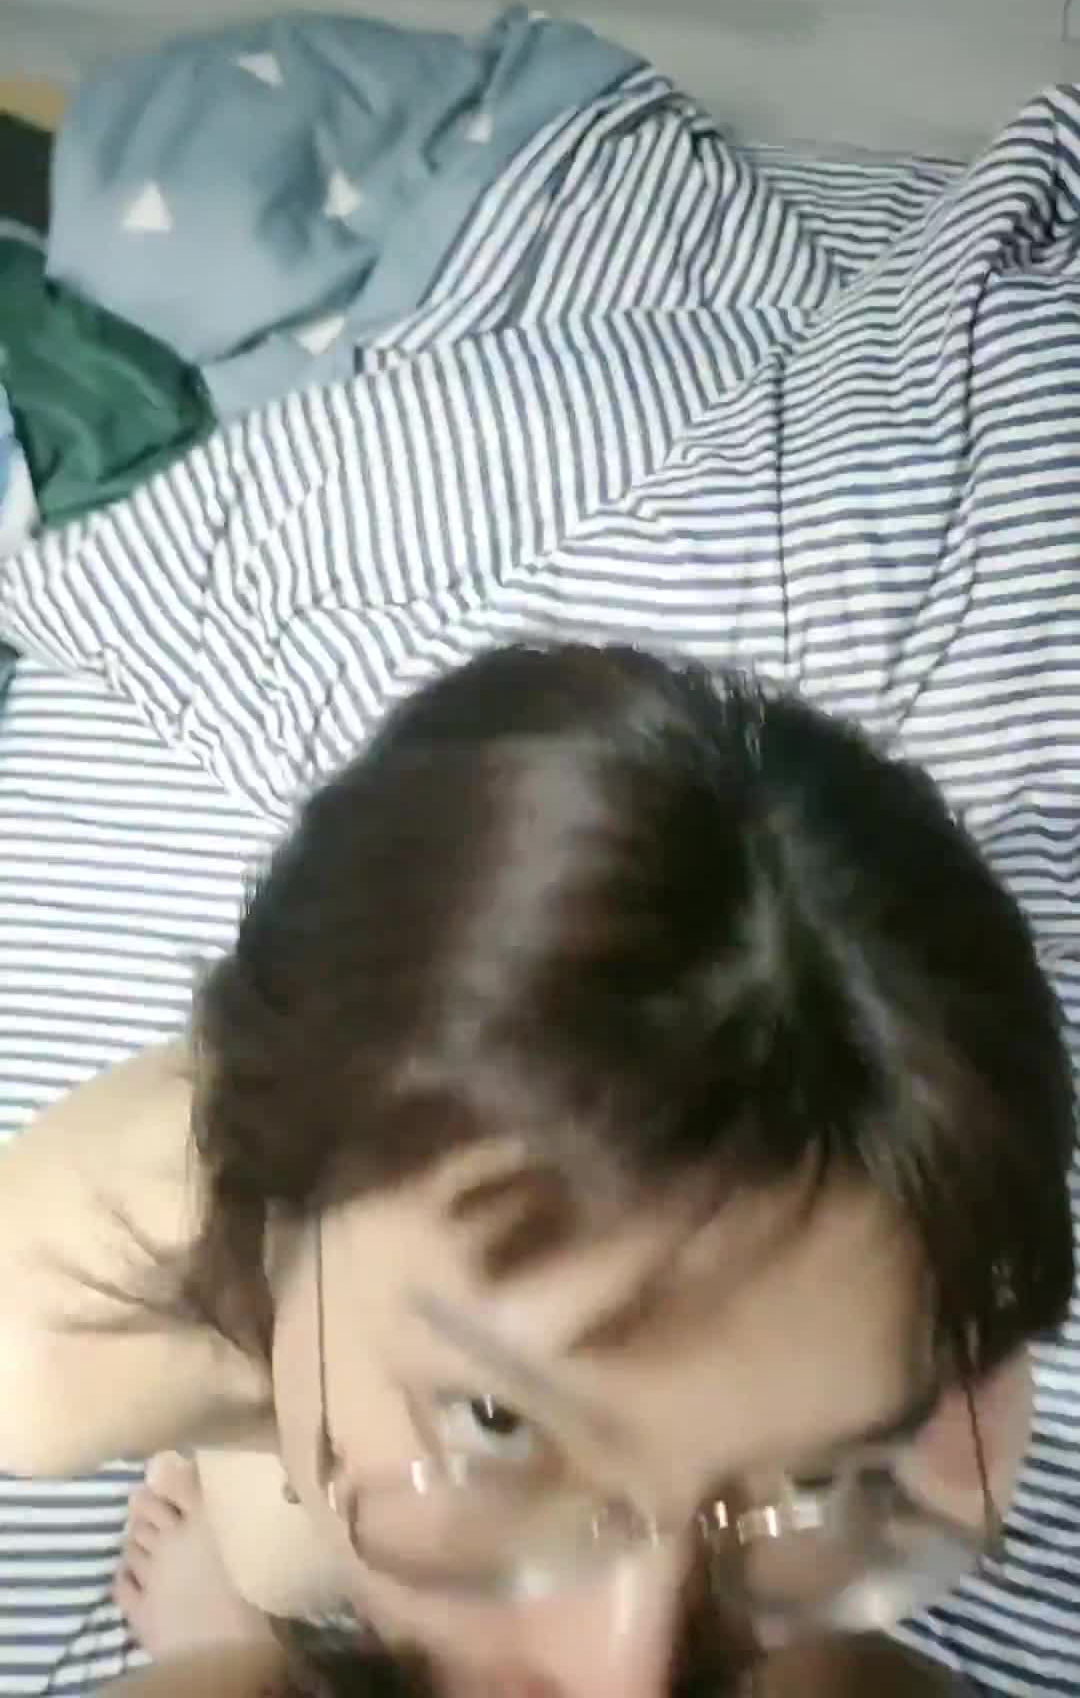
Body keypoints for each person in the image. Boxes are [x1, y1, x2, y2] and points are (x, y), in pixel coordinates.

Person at [0, 643, 1071, 1698]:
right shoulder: (50, 1352)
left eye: (814, 1469)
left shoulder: (944, 1420)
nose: (630, 1683)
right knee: (275, 1560)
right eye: (496, 1418)